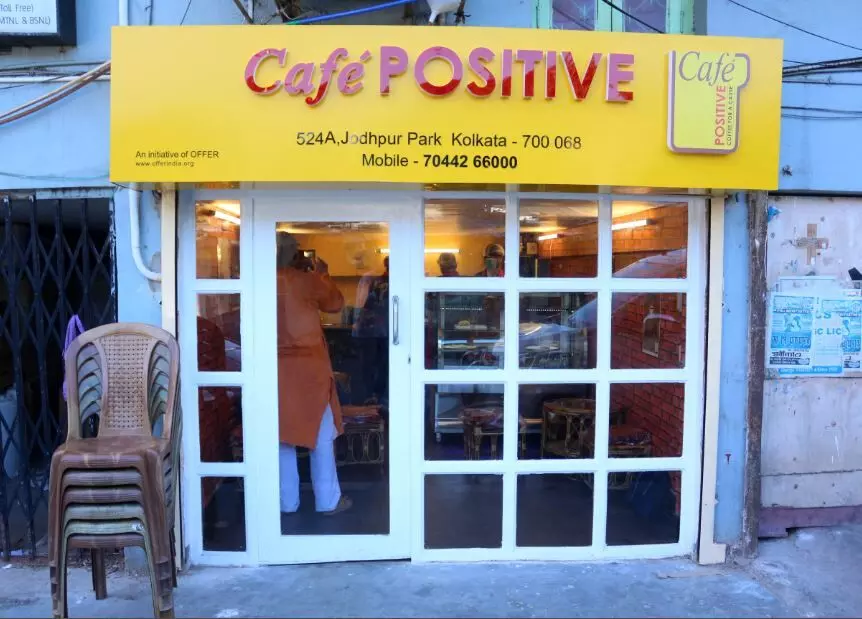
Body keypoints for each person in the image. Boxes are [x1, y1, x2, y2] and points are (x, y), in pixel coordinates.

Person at [276, 232, 352, 515]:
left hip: (275, 368)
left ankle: (286, 502)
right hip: (309, 370)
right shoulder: (305, 280)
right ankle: (327, 500)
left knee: (281, 436)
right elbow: (335, 303)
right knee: (321, 432)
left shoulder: (260, 280)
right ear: (294, 254)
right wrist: (322, 274)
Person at [353, 256, 389, 404]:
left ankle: (373, 396)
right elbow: (365, 305)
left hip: (375, 330)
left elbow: (364, 305)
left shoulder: (375, 281)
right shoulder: (378, 281)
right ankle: (377, 397)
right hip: (381, 331)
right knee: (381, 366)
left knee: (373, 366)